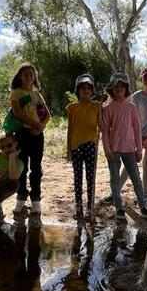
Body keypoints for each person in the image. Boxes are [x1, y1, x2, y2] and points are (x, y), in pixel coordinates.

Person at [100, 67, 147, 207]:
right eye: (145, 78)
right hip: (135, 135)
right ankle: (115, 193)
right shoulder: (136, 96)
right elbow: (130, 118)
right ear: (141, 79)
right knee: (130, 165)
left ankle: (145, 194)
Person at [101, 73, 147, 221]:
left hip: (130, 150)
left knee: (136, 178)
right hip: (113, 151)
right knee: (115, 180)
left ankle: (143, 205)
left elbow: (137, 129)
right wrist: (107, 150)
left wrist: (138, 149)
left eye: (121, 87)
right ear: (111, 89)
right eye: (115, 87)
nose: (118, 89)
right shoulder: (107, 108)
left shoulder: (131, 107)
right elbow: (104, 132)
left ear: (126, 89)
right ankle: (119, 207)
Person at [4, 63, 51, 215]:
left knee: (36, 168)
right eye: (25, 74)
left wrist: (40, 127)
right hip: (22, 134)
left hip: (37, 136)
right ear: (19, 76)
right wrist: (34, 125)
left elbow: (48, 115)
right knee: (22, 167)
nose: (28, 77)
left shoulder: (37, 95)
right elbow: (18, 114)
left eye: (31, 74)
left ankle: (36, 199)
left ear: (34, 77)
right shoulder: (16, 94)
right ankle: (21, 197)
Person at [66, 73, 101, 221]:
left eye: (88, 88)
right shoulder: (72, 108)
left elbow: (101, 125)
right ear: (78, 90)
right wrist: (68, 149)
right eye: (82, 88)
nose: (85, 91)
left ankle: (90, 206)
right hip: (75, 145)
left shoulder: (97, 106)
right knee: (78, 176)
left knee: (90, 176)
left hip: (91, 144)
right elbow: (69, 129)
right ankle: (78, 204)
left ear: (92, 91)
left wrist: (101, 120)